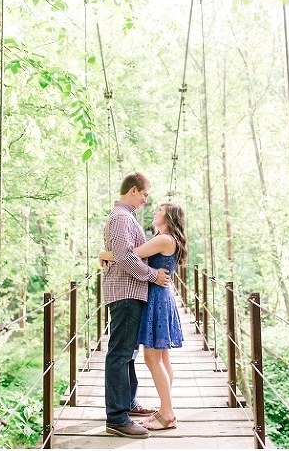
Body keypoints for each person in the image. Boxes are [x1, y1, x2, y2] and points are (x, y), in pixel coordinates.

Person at [101, 202, 187, 431]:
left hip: (157, 299)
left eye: (160, 210)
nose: (155, 211)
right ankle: (165, 409)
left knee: (152, 359)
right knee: (163, 359)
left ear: (168, 217)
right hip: (162, 297)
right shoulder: (167, 239)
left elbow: (128, 256)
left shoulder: (164, 239)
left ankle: (168, 414)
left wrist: (103, 254)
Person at [103, 172, 171, 439]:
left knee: (127, 353)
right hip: (126, 292)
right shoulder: (121, 217)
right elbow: (123, 256)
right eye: (144, 194)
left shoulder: (125, 217)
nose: (145, 200)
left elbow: (120, 255)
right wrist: (154, 275)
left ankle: (127, 404)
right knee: (120, 353)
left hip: (131, 291)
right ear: (133, 190)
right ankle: (116, 417)